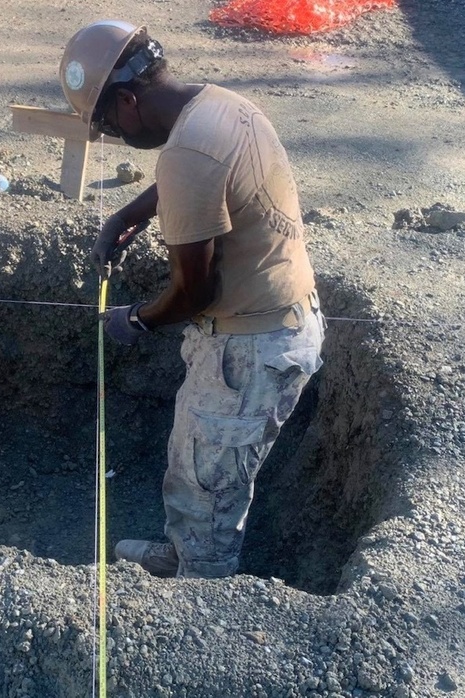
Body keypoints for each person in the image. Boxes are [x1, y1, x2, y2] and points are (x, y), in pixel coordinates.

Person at [59, 20, 326, 579]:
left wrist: (135, 319)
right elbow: (197, 172)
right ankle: (181, 552)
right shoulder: (217, 106)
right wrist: (131, 213)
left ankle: (198, 595)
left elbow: (192, 292)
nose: (111, 136)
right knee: (195, 464)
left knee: (210, 481)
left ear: (128, 101)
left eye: (106, 124)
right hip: (274, 324)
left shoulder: (187, 155)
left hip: (252, 349)